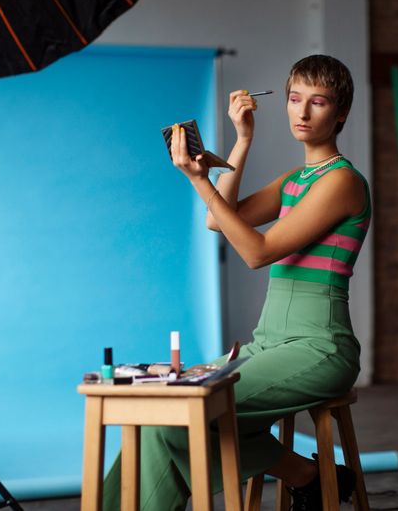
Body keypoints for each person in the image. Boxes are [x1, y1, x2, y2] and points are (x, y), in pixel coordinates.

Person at [103, 54, 371, 511]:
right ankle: (305, 474)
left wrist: (197, 177)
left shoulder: (342, 182)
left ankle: (304, 474)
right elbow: (218, 220)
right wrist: (242, 140)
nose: (302, 113)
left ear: (340, 112)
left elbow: (257, 252)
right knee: (160, 412)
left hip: (318, 348)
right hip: (267, 344)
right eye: (294, 99)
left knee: (181, 416)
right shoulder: (296, 179)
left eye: (318, 102)